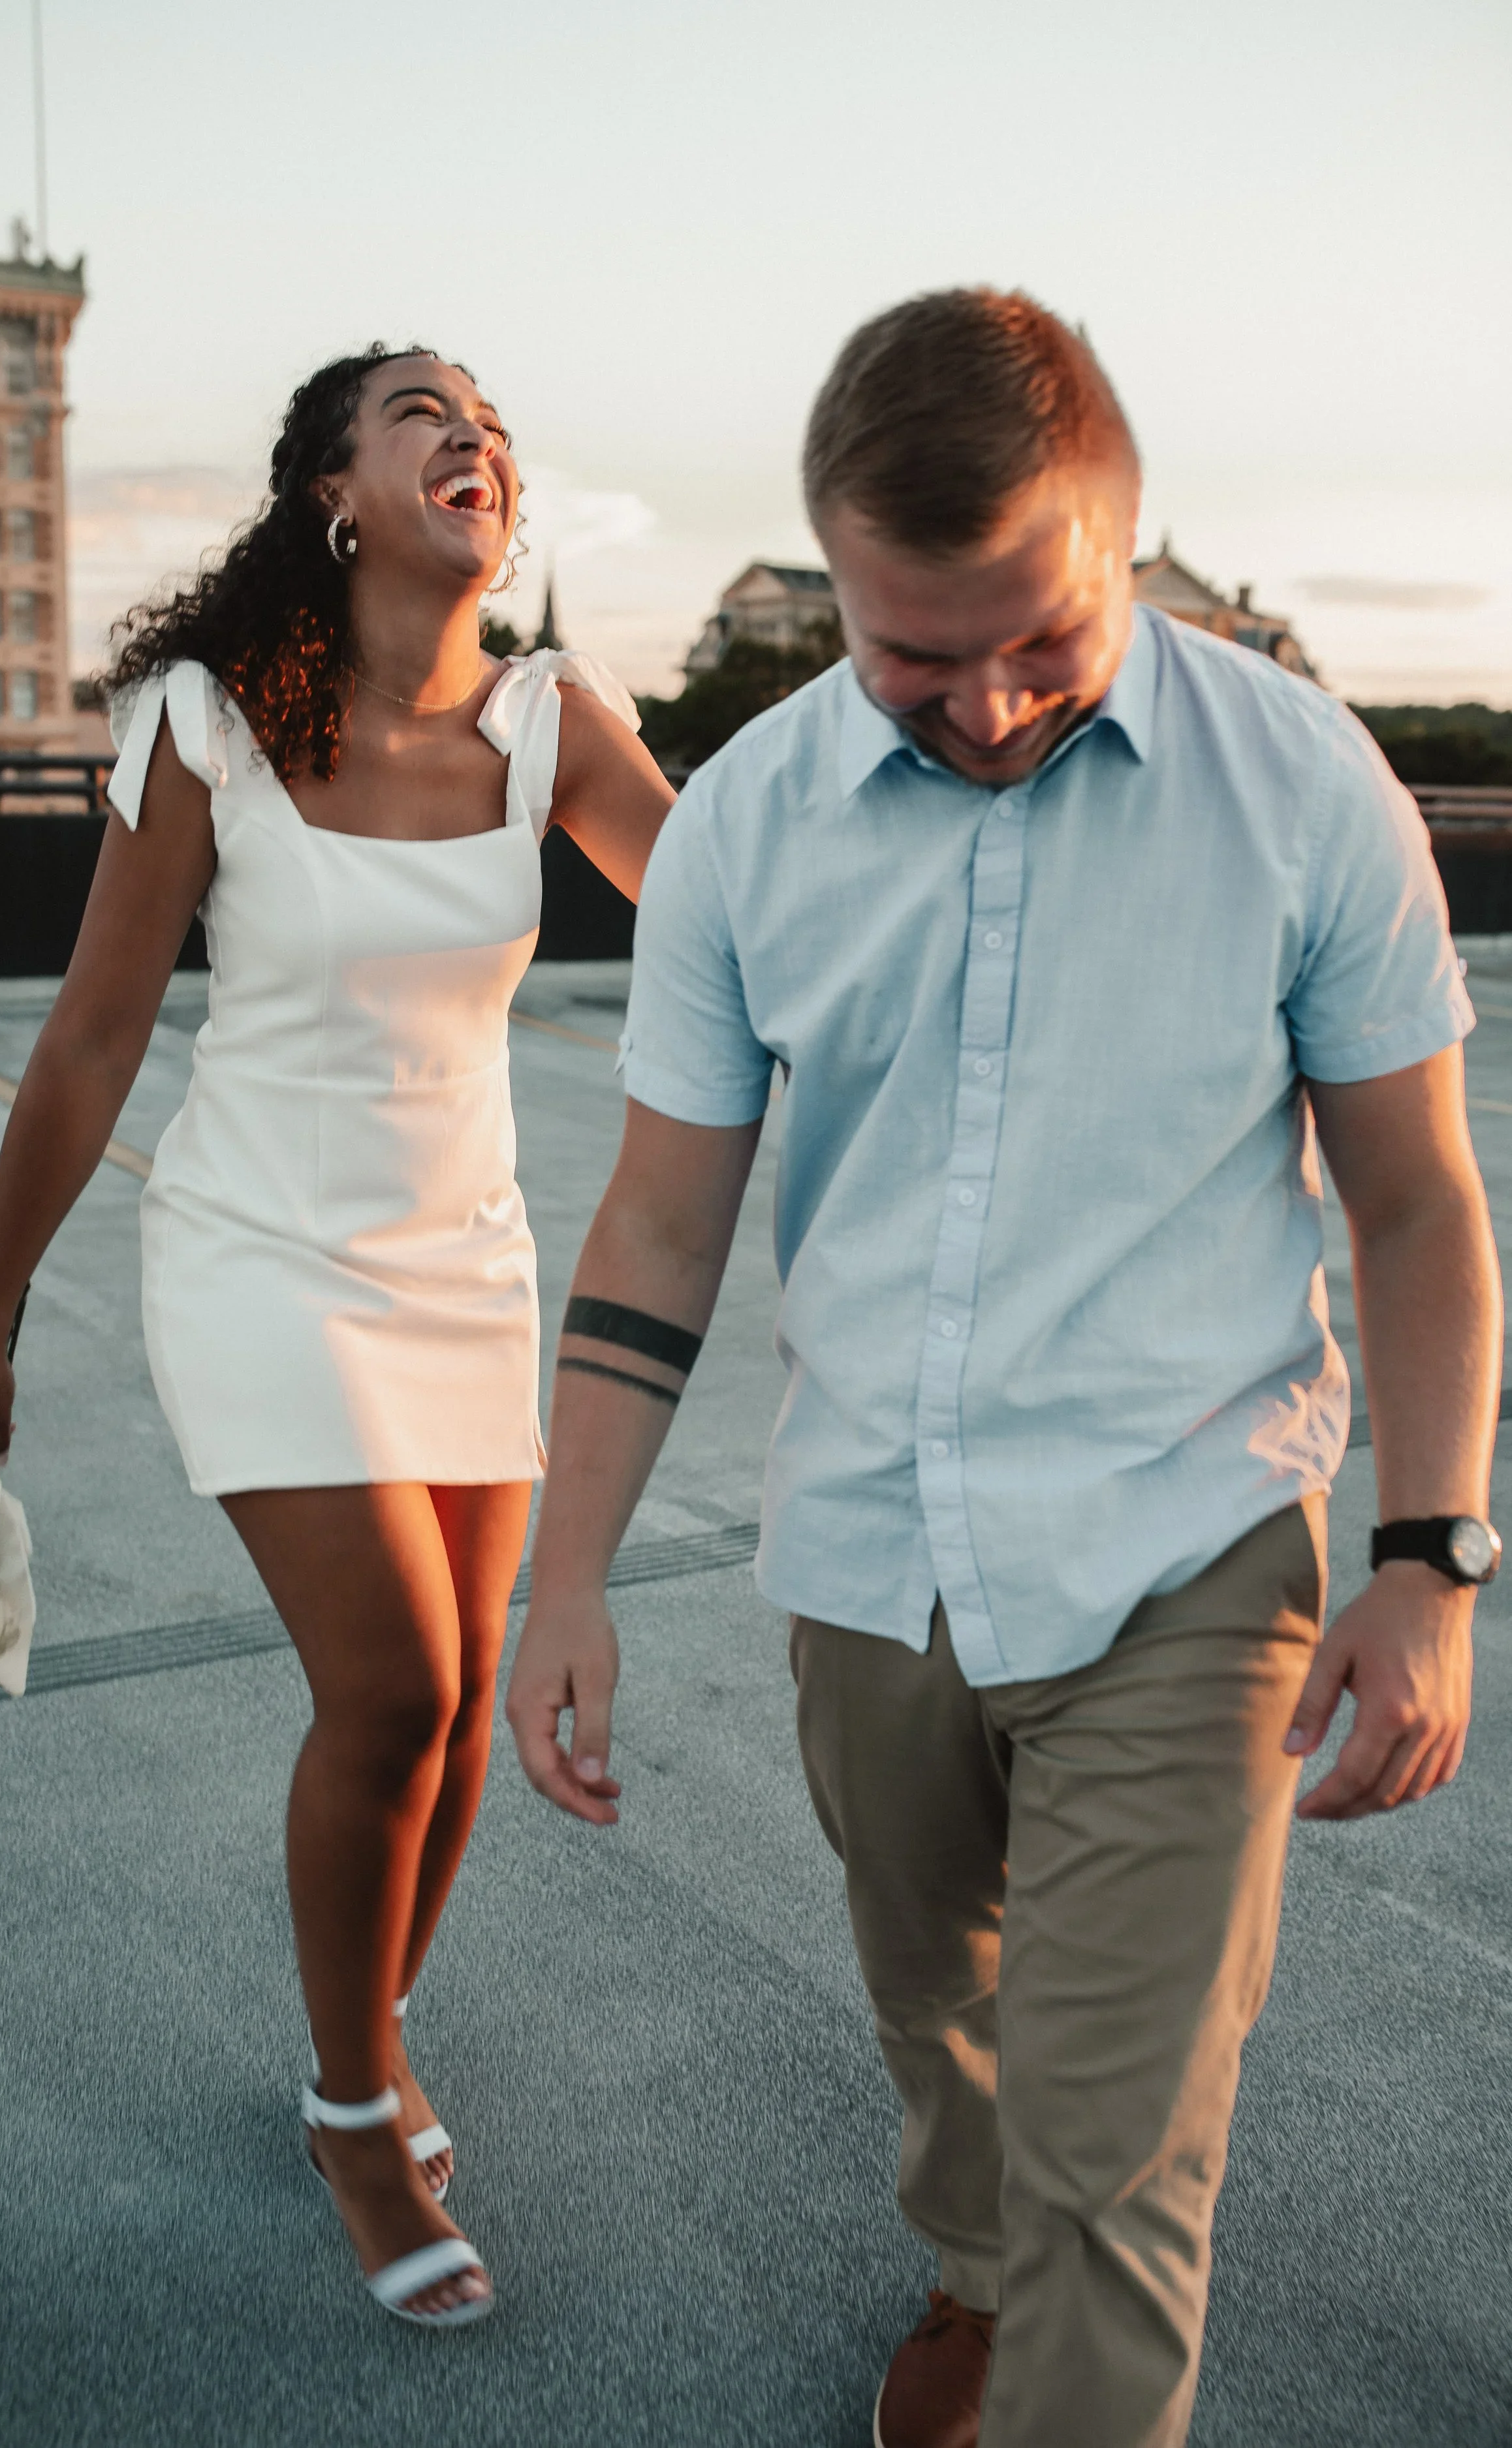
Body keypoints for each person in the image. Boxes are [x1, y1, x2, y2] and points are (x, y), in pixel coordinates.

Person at [505, 289, 1503, 2445]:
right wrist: (562, 1572)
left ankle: (1049, 2321)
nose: (982, 704)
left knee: (1116, 2156)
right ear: (835, 581)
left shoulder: (1299, 788)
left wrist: (1427, 1551)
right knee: (935, 2004)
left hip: (1184, 1545)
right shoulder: (744, 827)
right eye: (910, 653)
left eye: (1039, 636)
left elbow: (1416, 1197)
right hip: (866, 1554)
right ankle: (974, 2266)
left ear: (1121, 537)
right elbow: (659, 1223)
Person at [0, 344, 673, 2330]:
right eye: (421, 411)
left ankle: (372, 2028)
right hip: (259, 1256)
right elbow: (94, 1033)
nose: (470, 435)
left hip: (465, 1270)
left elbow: (734, 915)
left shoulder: (552, 720)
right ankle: (352, 2109)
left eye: (490, 420)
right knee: (399, 1687)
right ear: (335, 490)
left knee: (462, 1719)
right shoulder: (214, 717)